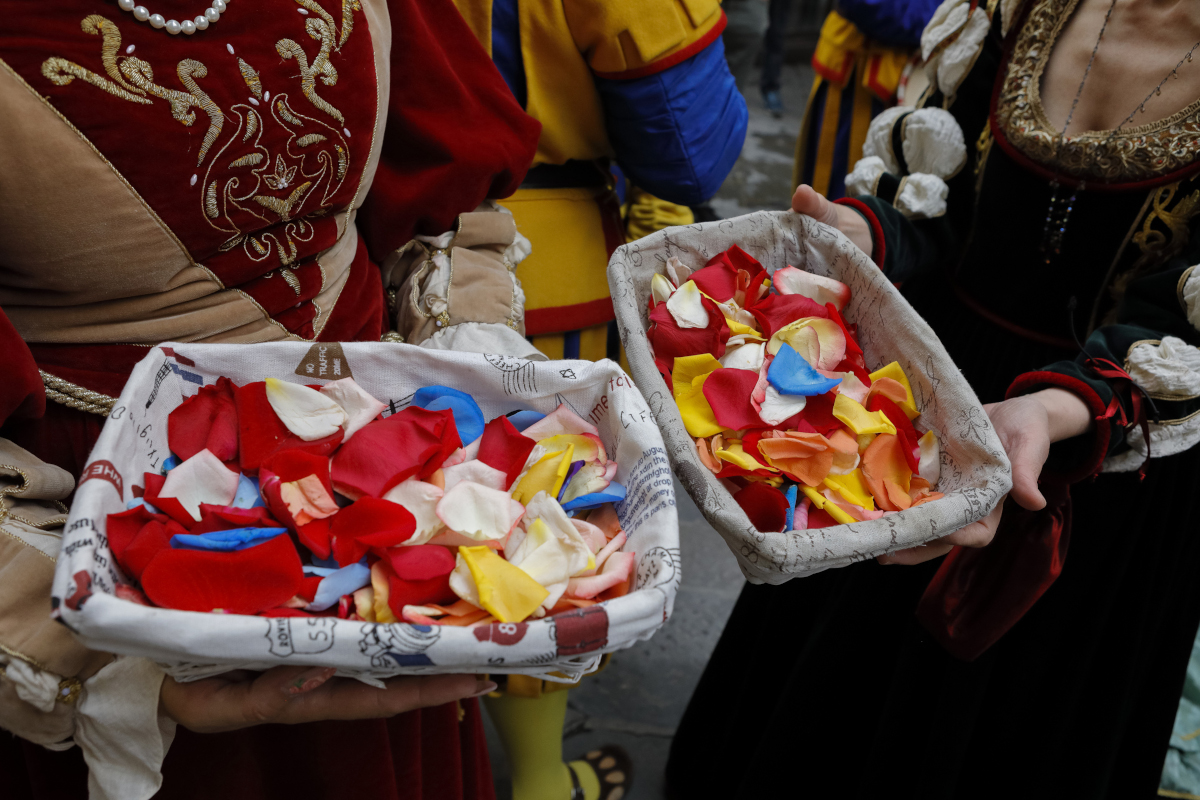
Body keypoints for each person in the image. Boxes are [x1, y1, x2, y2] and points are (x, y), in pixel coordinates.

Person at [0, 1, 544, 797]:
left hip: (381, 487)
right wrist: (84, 650)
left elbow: (450, 184)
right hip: (105, 524)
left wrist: (469, 349)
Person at [667, 0, 1200, 796]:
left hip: (1103, 447)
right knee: (828, 678)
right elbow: (938, 203)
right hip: (923, 402)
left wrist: (1053, 409)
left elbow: (1184, 331)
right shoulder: (1007, 10)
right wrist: (861, 233)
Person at [448, 2, 747, 798]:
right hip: (537, 274)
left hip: (369, 255)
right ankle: (540, 782)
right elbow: (690, 149)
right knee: (540, 540)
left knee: (436, 517)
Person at [792, 0, 939, 198]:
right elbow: (867, 5)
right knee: (839, 193)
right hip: (856, 84)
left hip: (905, 78)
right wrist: (938, 21)